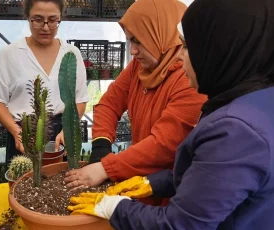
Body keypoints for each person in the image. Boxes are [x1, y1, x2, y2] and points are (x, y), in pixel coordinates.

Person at [67, 0, 274, 229]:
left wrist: (114, 204)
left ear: (216, 48)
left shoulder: (236, 130)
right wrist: (149, 180)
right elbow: (204, 173)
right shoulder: (252, 97)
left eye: (186, 46)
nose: (180, 54)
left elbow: (180, 223)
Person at [64, 0, 206, 206]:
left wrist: (106, 168)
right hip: (139, 181)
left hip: (172, 195)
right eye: (130, 41)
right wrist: (101, 147)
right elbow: (109, 104)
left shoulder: (189, 79)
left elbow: (163, 145)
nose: (132, 51)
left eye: (138, 41)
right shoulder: (138, 69)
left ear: (160, 35)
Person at [0, 0, 89, 164]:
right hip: (23, 130)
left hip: (60, 132)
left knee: (62, 184)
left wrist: (68, 130)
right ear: (27, 17)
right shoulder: (10, 54)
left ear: (60, 18)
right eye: (38, 19)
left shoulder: (71, 54)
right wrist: (18, 133)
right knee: (23, 185)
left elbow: (80, 99)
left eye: (53, 20)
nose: (46, 27)